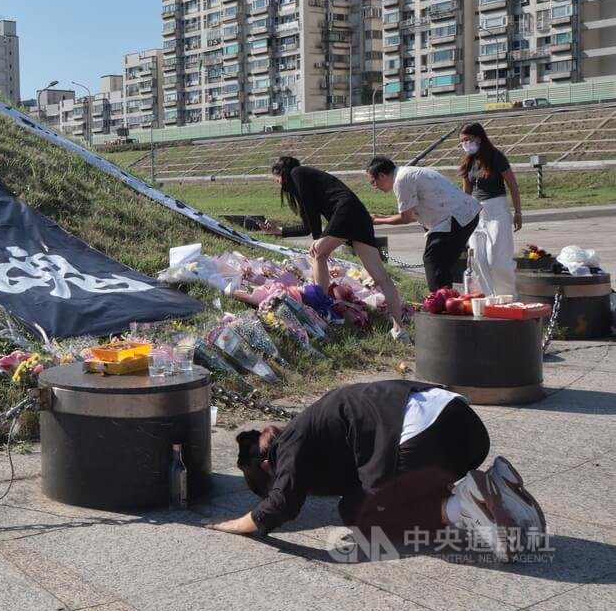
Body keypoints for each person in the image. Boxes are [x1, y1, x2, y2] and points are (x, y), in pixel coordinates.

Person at [205, 379, 547, 561]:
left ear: (268, 465)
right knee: (371, 491)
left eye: (271, 480)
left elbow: (281, 504)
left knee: (356, 512)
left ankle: (463, 505)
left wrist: (233, 525)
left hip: (422, 437)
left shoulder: (288, 443)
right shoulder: (315, 427)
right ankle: (495, 486)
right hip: (465, 428)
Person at [260, 156, 410, 343]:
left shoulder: (297, 173)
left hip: (346, 212)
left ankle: (320, 308)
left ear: (281, 173)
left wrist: (320, 246)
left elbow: (314, 224)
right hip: (358, 216)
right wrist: (279, 231)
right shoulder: (307, 177)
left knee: (317, 253)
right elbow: (308, 226)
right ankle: (399, 330)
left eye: (276, 178)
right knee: (381, 277)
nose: (277, 183)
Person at [367, 157, 481, 293]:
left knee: (432, 258)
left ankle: (439, 299)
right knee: (441, 263)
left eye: (373, 182)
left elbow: (405, 218)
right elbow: (413, 215)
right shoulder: (407, 173)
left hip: (456, 218)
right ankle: (446, 298)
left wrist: (377, 221)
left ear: (382, 175)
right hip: (463, 215)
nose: (374, 187)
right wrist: (382, 217)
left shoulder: (402, 181)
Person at [459, 122, 522, 297]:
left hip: (496, 210)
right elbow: (466, 192)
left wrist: (518, 212)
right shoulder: (468, 161)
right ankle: (489, 298)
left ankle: (507, 297)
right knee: (478, 259)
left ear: (479, 138)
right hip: (476, 212)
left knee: (497, 259)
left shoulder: (495, 156)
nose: (465, 144)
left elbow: (513, 185)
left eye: (468, 140)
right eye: (462, 141)